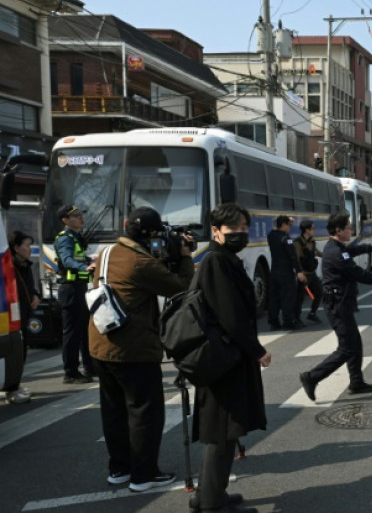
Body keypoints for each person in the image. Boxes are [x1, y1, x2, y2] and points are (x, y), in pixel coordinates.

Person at [87, 207, 194, 492]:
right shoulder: (140, 262)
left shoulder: (108, 253)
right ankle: (143, 475)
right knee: (145, 412)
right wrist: (184, 257)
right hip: (132, 349)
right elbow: (181, 289)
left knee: (114, 411)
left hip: (100, 343)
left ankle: (119, 469)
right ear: (151, 235)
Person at [192, 203, 270, 513]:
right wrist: (258, 350)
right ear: (215, 231)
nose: (239, 234)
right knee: (222, 432)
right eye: (232, 229)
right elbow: (231, 317)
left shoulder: (222, 259)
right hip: (224, 360)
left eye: (243, 229)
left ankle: (208, 495)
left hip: (227, 358)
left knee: (223, 431)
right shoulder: (216, 263)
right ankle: (212, 504)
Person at [298, 211, 372, 402]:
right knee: (347, 348)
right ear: (338, 230)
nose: (351, 230)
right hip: (337, 306)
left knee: (354, 343)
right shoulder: (334, 252)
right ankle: (312, 377)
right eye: (348, 227)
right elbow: (357, 273)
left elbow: (351, 250)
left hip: (342, 303)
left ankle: (356, 382)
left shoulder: (336, 247)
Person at [54, 204, 96, 383]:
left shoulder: (75, 236)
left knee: (85, 330)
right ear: (65, 220)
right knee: (72, 332)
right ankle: (70, 373)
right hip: (70, 289)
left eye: (80, 214)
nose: (81, 218)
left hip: (79, 287)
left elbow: (78, 257)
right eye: (76, 216)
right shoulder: (65, 238)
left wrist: (91, 260)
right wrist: (85, 266)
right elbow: (67, 260)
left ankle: (89, 367)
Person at [5, 231, 39, 403]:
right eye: (26, 245)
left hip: (23, 315)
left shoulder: (25, 265)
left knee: (21, 350)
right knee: (15, 352)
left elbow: (30, 287)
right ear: (16, 248)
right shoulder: (9, 267)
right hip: (12, 317)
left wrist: (35, 295)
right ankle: (12, 389)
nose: (30, 249)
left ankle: (15, 385)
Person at [267, 215, 306, 330]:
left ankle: (273, 322)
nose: (290, 227)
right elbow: (292, 256)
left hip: (274, 271)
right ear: (283, 225)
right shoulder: (286, 239)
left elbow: (275, 230)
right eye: (288, 225)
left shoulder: (271, 236)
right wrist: (299, 271)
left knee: (274, 298)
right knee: (288, 297)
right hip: (286, 272)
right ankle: (288, 321)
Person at [293, 220, 323, 324]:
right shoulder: (298, 243)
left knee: (319, 292)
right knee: (300, 297)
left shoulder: (312, 242)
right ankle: (296, 318)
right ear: (307, 230)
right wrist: (300, 273)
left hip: (312, 274)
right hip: (304, 274)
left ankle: (312, 313)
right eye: (312, 229)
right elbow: (296, 259)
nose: (314, 230)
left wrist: (328, 255)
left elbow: (318, 253)